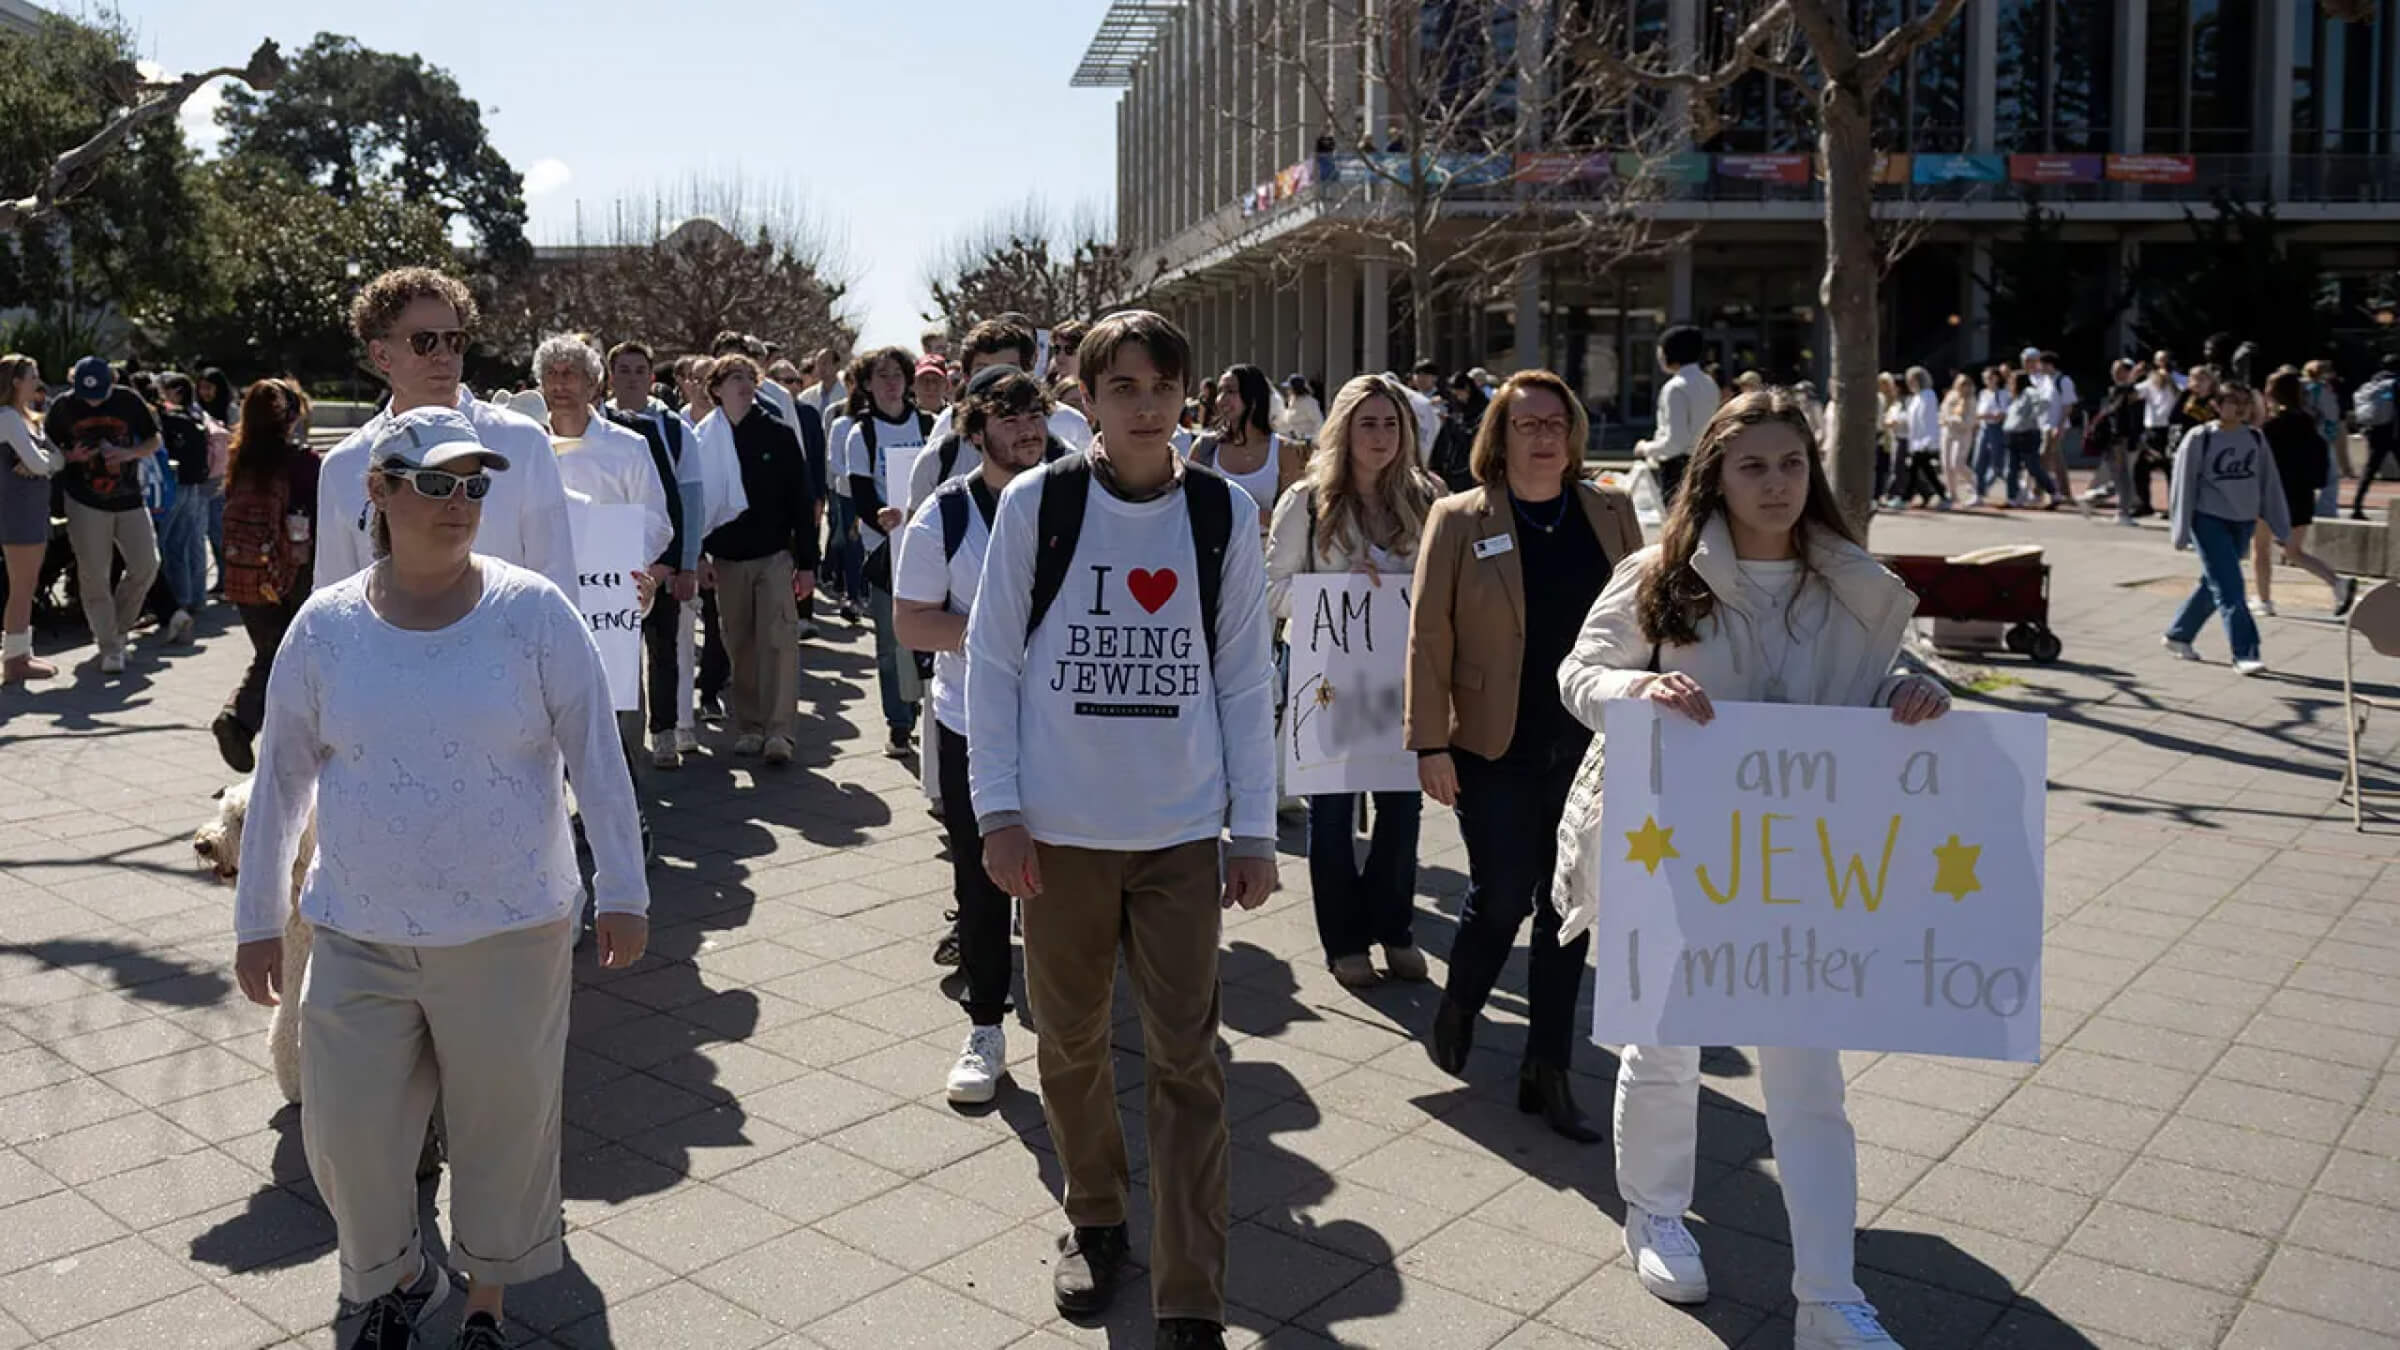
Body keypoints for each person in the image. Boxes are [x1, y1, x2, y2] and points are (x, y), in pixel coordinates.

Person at [231, 406, 649, 1350]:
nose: (460, 504)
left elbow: (596, 755)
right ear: (378, 492)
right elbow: (281, 779)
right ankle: (397, 1276)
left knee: (504, 1134)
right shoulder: (326, 625)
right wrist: (258, 915)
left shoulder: (535, 611)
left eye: (474, 485)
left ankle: (487, 1304)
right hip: (359, 928)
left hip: (510, 930)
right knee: (345, 1132)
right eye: (435, 483)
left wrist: (624, 886)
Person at [1556, 386, 1950, 1350]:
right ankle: (1653, 1211)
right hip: (1672, 847)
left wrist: (1910, 691)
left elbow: (1879, 680)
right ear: (1715, 478)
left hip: (1799, 864)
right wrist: (1638, 686)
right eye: (1751, 465)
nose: (1774, 483)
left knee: (1810, 1078)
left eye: (1790, 464)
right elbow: (1579, 674)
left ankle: (1829, 1292)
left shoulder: (1851, 584)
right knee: (1665, 1044)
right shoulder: (1659, 574)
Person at [964, 311, 1275, 1350]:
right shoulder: (1039, 507)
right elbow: (992, 664)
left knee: (1190, 1060)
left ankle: (1192, 1288)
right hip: (1057, 836)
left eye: (1162, 385)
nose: (1146, 405)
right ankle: (1094, 1215)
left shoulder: (1222, 515)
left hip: (1182, 835)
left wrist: (1257, 829)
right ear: (1084, 399)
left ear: (1187, 395)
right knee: (1071, 1042)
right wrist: (997, 814)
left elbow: (1243, 678)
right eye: (1123, 386)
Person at [1407, 370, 1644, 1142]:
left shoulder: (1609, 510)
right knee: (1503, 894)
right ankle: (1461, 999)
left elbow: (1650, 614)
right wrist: (1429, 741)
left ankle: (1549, 1068)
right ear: (1498, 437)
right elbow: (1428, 636)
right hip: (1491, 742)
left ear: (1572, 432)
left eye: (1554, 422)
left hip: (1588, 743)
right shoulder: (1458, 517)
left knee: (1569, 908)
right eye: (1524, 424)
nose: (1542, 436)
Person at [893, 368, 1055, 1104]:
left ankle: (1069, 1028)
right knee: (984, 880)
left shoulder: (1077, 499)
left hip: (1064, 726)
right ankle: (986, 1026)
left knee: (1068, 880)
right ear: (975, 427)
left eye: (1036, 413)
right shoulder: (945, 515)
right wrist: (994, 637)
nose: (1026, 428)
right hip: (971, 723)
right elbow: (911, 621)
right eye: (1008, 415)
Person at [1266, 375, 1437, 987]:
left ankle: (1395, 929)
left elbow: (1445, 590)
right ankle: (1345, 941)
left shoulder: (1425, 496)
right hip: (1330, 682)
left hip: (1403, 682)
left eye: (1391, 424)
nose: (1382, 436)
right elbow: (1271, 590)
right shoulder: (1309, 501)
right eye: (1368, 423)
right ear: (1342, 428)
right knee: (1332, 814)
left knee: (1403, 808)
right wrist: (1333, 593)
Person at [318, 268, 578, 599]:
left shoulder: (523, 442)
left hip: (504, 649)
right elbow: (332, 595)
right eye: (424, 342)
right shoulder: (343, 464)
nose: (444, 355)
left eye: (455, 341)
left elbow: (558, 582)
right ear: (381, 354)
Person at [537, 334, 675, 840]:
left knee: (616, 722)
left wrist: (630, 568)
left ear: (596, 383)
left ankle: (624, 825)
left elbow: (657, 520)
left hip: (610, 611)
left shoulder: (627, 446)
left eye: (571, 373)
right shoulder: (527, 449)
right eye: (552, 374)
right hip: (545, 608)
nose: (561, 384)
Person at [605, 341, 722, 770]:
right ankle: (619, 740)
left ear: (651, 377)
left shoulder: (674, 429)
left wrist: (687, 562)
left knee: (663, 646)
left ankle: (665, 731)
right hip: (609, 555)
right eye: (624, 369)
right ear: (610, 375)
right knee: (616, 652)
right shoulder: (595, 424)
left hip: (662, 557)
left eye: (640, 369)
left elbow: (689, 500)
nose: (632, 376)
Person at [701, 354, 820, 764]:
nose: (744, 384)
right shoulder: (703, 439)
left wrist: (808, 563)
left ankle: (779, 733)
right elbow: (694, 503)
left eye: (749, 378)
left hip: (774, 557)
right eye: (734, 378)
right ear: (716, 389)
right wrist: (696, 556)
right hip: (727, 559)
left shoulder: (779, 434)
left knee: (779, 642)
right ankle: (749, 726)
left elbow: (801, 502)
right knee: (740, 644)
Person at [211, 379, 319, 772]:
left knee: (271, 655)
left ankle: (246, 723)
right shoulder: (304, 463)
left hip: (245, 576)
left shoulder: (240, 461)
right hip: (292, 575)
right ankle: (242, 722)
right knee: (289, 659)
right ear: (291, 416)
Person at [843, 346, 933, 759]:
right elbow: (860, 496)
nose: (891, 382)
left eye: (897, 374)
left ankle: (926, 709)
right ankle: (898, 722)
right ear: (867, 384)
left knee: (928, 636)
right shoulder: (860, 434)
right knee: (890, 639)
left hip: (929, 545)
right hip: (886, 549)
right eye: (882, 375)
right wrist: (880, 515)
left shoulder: (930, 425)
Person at [46, 355, 162, 674]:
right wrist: (69, 456)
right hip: (84, 500)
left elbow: (154, 440)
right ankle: (109, 645)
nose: (93, 402)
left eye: (99, 395)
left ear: (112, 382)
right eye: (86, 395)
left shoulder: (129, 400)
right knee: (94, 574)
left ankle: (119, 629)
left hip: (129, 498)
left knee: (146, 565)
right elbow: (46, 450)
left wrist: (129, 453)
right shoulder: (62, 407)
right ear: (74, 383)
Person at [2165, 381, 2288, 675]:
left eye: (2245, 401)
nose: (2241, 407)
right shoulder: (2199, 437)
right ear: (2216, 406)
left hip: (2243, 520)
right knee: (2232, 588)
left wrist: (2280, 525)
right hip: (2208, 519)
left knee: (2215, 582)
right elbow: (2183, 486)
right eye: (2232, 401)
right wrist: (2180, 531)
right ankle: (2245, 652)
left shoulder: (2256, 439)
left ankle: (2179, 634)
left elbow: (2269, 485)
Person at [2253, 370, 2356, 618]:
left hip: (2272, 495)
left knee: (2261, 548)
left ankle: (2264, 601)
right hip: (2301, 495)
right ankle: (2337, 583)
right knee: (2294, 551)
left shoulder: (2270, 427)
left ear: (2271, 393)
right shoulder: (2308, 423)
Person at [0, 354, 61, 683]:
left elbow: (56, 459)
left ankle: (20, 651)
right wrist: (44, 463)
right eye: (32, 375)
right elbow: (41, 465)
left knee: (27, 584)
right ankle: (14, 660)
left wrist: (45, 462)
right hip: (16, 511)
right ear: (15, 381)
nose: (37, 381)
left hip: (33, 510)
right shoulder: (7, 417)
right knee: (22, 586)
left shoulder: (29, 418)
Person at [1191, 364, 1306, 534]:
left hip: (1265, 553)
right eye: (1220, 391)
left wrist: (1249, 514)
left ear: (1253, 398)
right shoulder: (1204, 447)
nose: (1221, 399)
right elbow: (1186, 505)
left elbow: (1295, 516)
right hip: (1215, 554)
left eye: (1230, 391)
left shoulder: (1283, 451)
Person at [151, 372, 214, 642]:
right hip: (194, 485)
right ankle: (190, 598)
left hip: (173, 487)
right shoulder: (194, 417)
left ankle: (174, 603)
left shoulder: (166, 420)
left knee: (163, 548)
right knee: (187, 545)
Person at [1638, 326, 1717, 507]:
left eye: (1660, 350)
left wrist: (1645, 448)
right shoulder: (1709, 382)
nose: (1658, 356)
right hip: (1705, 462)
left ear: (1670, 353)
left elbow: (1675, 442)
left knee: (1677, 524)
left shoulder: (1675, 388)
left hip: (1678, 468)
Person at [2351, 353, 2399, 520]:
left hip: (2375, 431)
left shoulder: (2371, 384)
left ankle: (2357, 506)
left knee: (2369, 470)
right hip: (2393, 432)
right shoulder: (2395, 383)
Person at [2302, 358, 2350, 519]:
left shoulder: (2301, 388)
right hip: (2321, 436)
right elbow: (2331, 414)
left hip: (2304, 435)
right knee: (2331, 475)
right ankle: (2326, 509)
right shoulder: (2322, 389)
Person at [2001, 370, 2054, 507]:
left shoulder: (2029, 392)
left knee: (2033, 467)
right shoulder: (2015, 397)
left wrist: (2030, 418)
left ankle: (2053, 492)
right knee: (2011, 469)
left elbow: (2043, 403)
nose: (2010, 384)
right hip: (2013, 435)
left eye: (2012, 381)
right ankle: (2012, 498)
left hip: (2027, 435)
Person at [1899, 366, 1946, 509]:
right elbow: (1910, 418)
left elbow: (1929, 420)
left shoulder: (1928, 395)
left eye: (1912, 380)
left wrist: (1928, 441)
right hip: (1915, 441)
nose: (1909, 384)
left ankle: (1905, 498)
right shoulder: (1916, 397)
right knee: (1927, 471)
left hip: (1924, 441)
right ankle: (1939, 494)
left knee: (1913, 471)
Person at [1972, 365, 2011, 504]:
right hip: (1984, 429)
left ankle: (2017, 489)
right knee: (1979, 462)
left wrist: (1987, 415)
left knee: (1998, 465)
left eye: (1990, 377)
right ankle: (1979, 494)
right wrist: (1984, 417)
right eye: (1985, 378)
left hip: (1997, 429)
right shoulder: (1983, 393)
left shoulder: (2003, 393)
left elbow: (2001, 414)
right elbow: (1978, 413)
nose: (1987, 380)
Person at [1938, 372, 1974, 507]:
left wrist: (1953, 421)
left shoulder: (1970, 399)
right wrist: (1947, 420)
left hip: (1962, 434)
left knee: (1957, 463)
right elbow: (1943, 413)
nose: (1963, 387)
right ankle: (1952, 494)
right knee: (1946, 465)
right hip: (1948, 432)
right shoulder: (1951, 397)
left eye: (1966, 384)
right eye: (1961, 384)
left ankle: (1974, 483)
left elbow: (1969, 421)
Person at [1276, 373, 1325, 442]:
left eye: (1289, 388)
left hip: (1306, 442)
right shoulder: (1292, 400)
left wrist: (1313, 439)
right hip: (1293, 440)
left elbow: (1319, 422)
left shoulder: (1309, 402)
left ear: (1296, 389)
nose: (1287, 390)